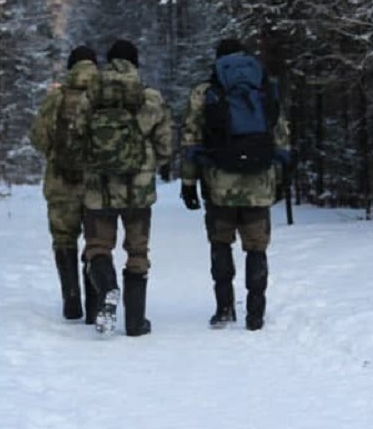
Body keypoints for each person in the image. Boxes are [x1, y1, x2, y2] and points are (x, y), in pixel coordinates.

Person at [179, 38, 290, 331]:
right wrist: (280, 176)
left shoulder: (205, 92)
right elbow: (281, 135)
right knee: (256, 247)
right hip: (259, 180)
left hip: (219, 182)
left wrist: (188, 182)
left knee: (221, 242)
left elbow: (191, 139)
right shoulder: (265, 87)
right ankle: (256, 313)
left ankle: (225, 308)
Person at [80, 39, 173, 336]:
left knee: (97, 247)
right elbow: (165, 145)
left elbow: (77, 136)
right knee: (137, 251)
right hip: (139, 187)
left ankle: (108, 290)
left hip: (98, 186)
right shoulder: (151, 98)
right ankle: (135, 323)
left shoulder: (91, 96)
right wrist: (147, 162)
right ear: (136, 62)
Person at [29, 45, 99, 323]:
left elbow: (37, 135)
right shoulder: (103, 95)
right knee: (96, 241)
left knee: (63, 238)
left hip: (61, 180)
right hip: (97, 182)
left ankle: (71, 299)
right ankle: (94, 303)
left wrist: (55, 156)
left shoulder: (56, 97)